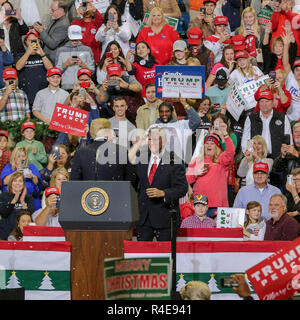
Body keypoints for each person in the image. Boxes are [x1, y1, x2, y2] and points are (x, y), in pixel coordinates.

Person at [128, 126, 188, 241]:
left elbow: (182, 188)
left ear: (164, 141)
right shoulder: (141, 157)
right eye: (150, 139)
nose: (152, 143)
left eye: (155, 139)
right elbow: (133, 181)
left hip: (164, 217)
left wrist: (163, 193)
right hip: (143, 218)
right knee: (143, 256)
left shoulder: (174, 160)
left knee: (165, 256)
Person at [186, 130, 235, 218]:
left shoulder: (221, 160)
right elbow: (186, 180)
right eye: (207, 143)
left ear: (216, 147)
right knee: (201, 230)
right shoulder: (196, 161)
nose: (209, 145)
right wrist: (195, 173)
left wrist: (226, 136)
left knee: (216, 231)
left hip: (217, 205)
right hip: (200, 205)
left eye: (212, 144)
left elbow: (230, 152)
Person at [241, 87, 293, 159]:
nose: (264, 104)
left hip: (277, 159)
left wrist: (284, 156)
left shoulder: (282, 117)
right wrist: (249, 154)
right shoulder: (251, 118)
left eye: (267, 101)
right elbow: (246, 139)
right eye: (262, 101)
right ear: (258, 104)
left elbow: (288, 138)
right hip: (256, 157)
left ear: (272, 102)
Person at [15, 30, 53, 112]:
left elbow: (51, 70)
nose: (32, 43)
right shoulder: (20, 55)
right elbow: (18, 67)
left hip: (43, 92)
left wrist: (42, 54)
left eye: (34, 40)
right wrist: (28, 52)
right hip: (27, 93)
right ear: (25, 42)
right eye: (30, 40)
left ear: (38, 41)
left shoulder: (44, 55)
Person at [1, 146, 43, 211]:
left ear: (26, 157)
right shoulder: (9, 167)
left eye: (23, 156)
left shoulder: (31, 167)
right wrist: (16, 172)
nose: (21, 158)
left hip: (30, 198)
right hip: (12, 199)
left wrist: (32, 176)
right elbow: (4, 182)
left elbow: (39, 183)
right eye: (18, 156)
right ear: (14, 157)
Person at [55, 25, 95, 91]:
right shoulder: (60, 51)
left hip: (84, 86)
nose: (74, 41)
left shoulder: (87, 50)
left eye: (76, 39)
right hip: (66, 87)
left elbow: (92, 71)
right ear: (68, 36)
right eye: (72, 39)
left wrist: (83, 65)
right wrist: (66, 64)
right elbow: (56, 73)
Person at [0, 172, 34, 240]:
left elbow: (30, 216)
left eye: (20, 181)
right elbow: (3, 213)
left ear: (23, 184)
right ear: (11, 183)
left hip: (23, 235)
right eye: (15, 181)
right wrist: (15, 199)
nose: (17, 183)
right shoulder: (3, 196)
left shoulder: (28, 198)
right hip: (6, 233)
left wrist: (22, 202)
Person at [272, 122, 300, 188]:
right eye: (296, 132)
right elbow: (276, 169)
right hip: (289, 186)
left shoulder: (292, 150)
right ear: (293, 134)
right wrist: (283, 156)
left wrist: (296, 154)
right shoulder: (288, 149)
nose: (298, 134)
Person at [282, 32, 300, 122]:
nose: (299, 72)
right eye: (297, 70)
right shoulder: (290, 78)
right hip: (290, 120)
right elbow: (285, 63)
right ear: (294, 71)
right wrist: (285, 45)